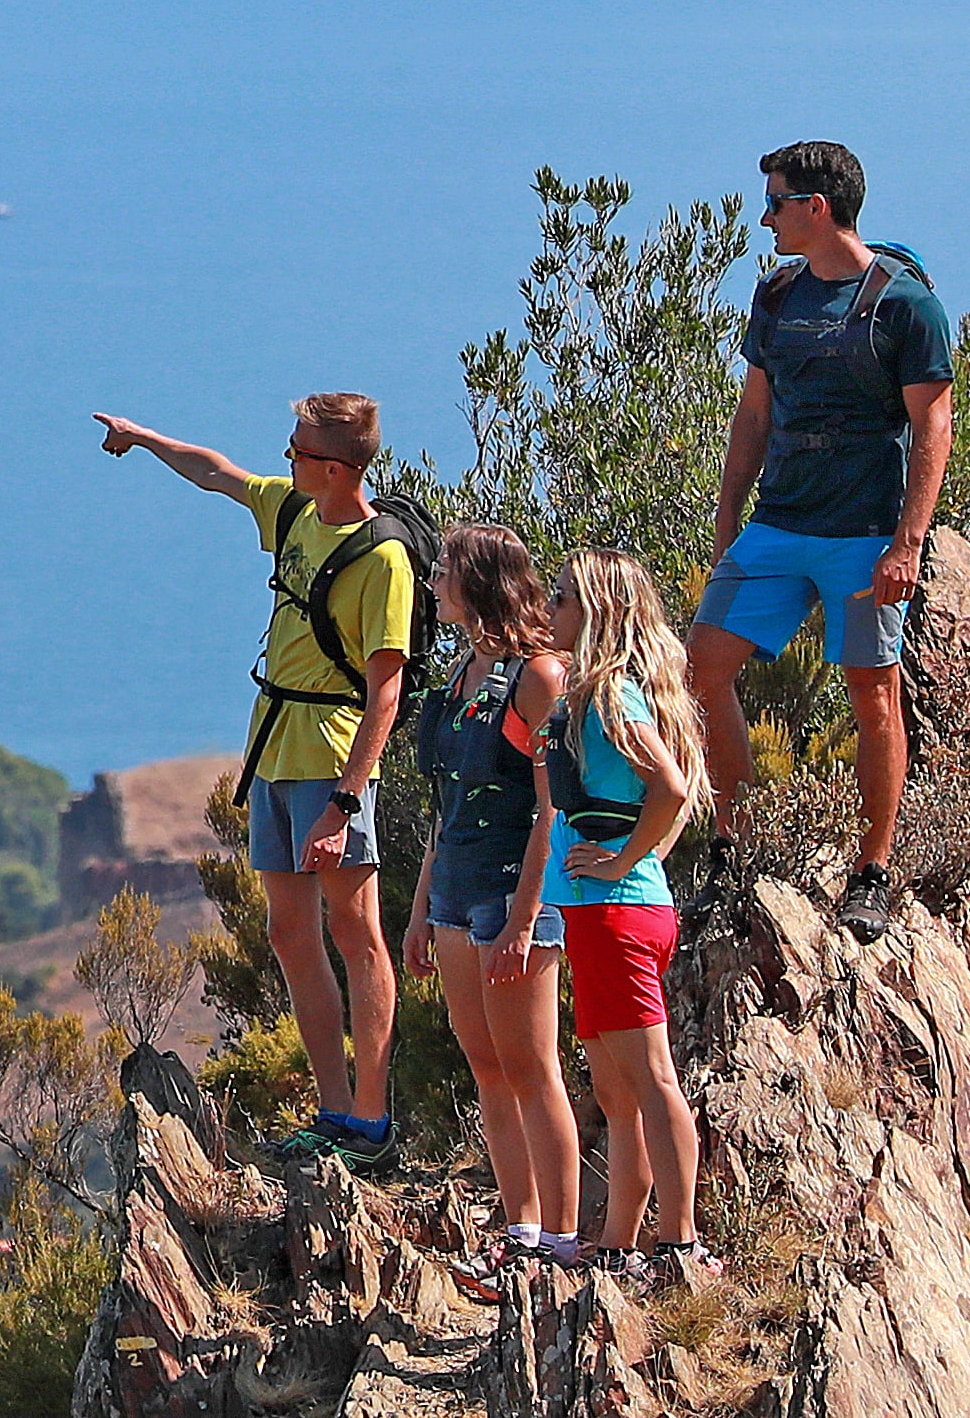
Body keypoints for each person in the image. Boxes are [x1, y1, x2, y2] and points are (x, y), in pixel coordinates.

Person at [93, 394, 408, 1168]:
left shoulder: (381, 559)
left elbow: (386, 692)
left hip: (330, 759)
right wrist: (144, 436)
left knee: (356, 933)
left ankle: (371, 1121)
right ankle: (332, 1110)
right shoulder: (294, 511)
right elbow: (216, 473)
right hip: (271, 750)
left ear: (333, 468)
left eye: (296, 450)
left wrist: (345, 800)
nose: (285, 459)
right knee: (288, 932)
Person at [689, 140, 953, 940]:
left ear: (817, 206)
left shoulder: (904, 306)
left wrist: (907, 542)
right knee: (699, 669)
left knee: (872, 693)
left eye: (775, 202)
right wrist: (728, 522)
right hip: (777, 525)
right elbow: (753, 415)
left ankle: (871, 870)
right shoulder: (775, 295)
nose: (764, 218)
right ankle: (731, 846)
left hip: (862, 536)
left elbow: (932, 425)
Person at [403, 525, 581, 1296]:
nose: (433, 581)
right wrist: (419, 909)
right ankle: (519, 1228)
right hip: (454, 892)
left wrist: (523, 918)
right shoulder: (458, 676)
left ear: (479, 580)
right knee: (487, 1066)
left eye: (444, 569)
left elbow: (550, 809)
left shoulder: (535, 676)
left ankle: (561, 1240)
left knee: (532, 1066)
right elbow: (443, 806)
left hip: (513, 892)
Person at [544, 549, 721, 1284]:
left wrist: (622, 863)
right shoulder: (592, 694)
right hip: (599, 913)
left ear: (595, 612)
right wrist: (634, 860)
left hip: (618, 912)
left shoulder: (611, 697)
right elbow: (675, 798)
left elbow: (671, 788)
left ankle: (677, 1240)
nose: (549, 609)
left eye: (561, 597)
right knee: (616, 1093)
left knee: (650, 1081)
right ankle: (619, 1240)